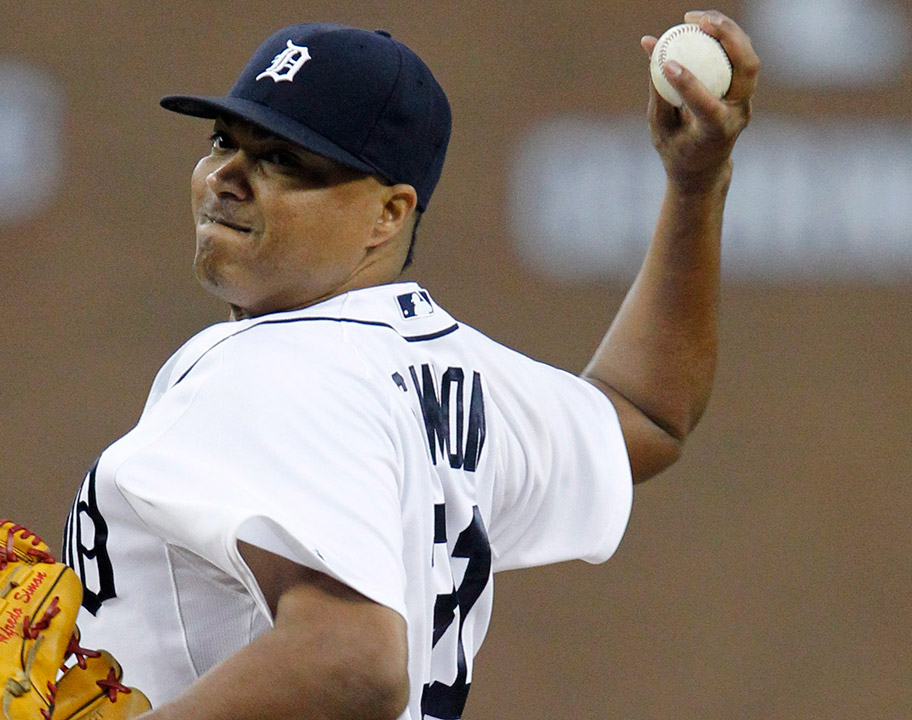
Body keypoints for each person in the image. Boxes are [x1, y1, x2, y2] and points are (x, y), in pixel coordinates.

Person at [61, 12, 758, 720]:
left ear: (388, 214)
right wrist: (696, 186)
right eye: (223, 141)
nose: (226, 178)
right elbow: (646, 414)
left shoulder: (272, 366)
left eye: (281, 159)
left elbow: (354, 656)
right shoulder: (447, 370)